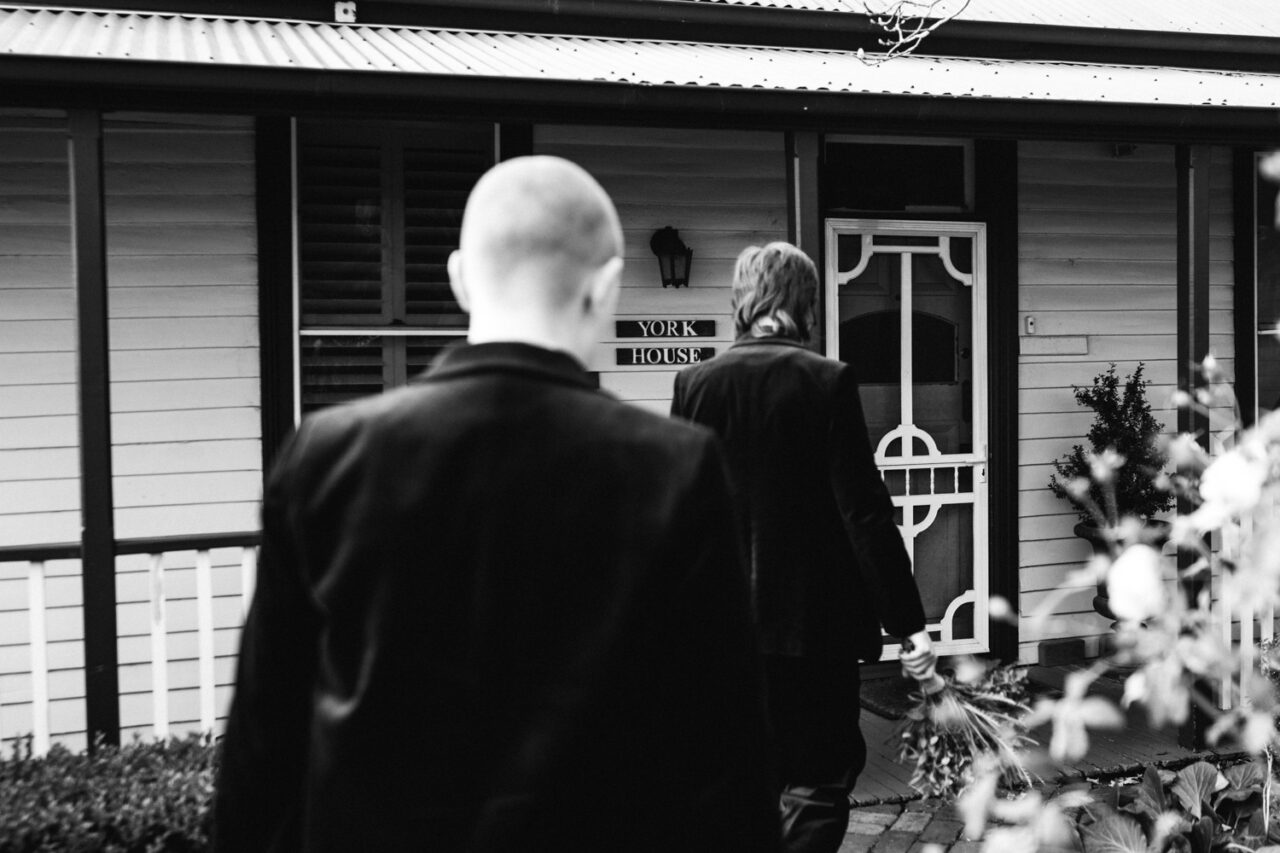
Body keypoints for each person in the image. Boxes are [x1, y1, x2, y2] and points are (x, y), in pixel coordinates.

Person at [215, 156, 780, 853]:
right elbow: (725, 765)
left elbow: (259, 764)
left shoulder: (325, 457)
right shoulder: (675, 470)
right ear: (606, 289)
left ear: (458, 277)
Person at [670, 241, 938, 853]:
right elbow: (863, 514)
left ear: (743, 300)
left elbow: (686, 515)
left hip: (725, 629)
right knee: (818, 779)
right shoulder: (826, 381)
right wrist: (909, 627)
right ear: (805, 303)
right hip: (816, 630)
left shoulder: (696, 384)